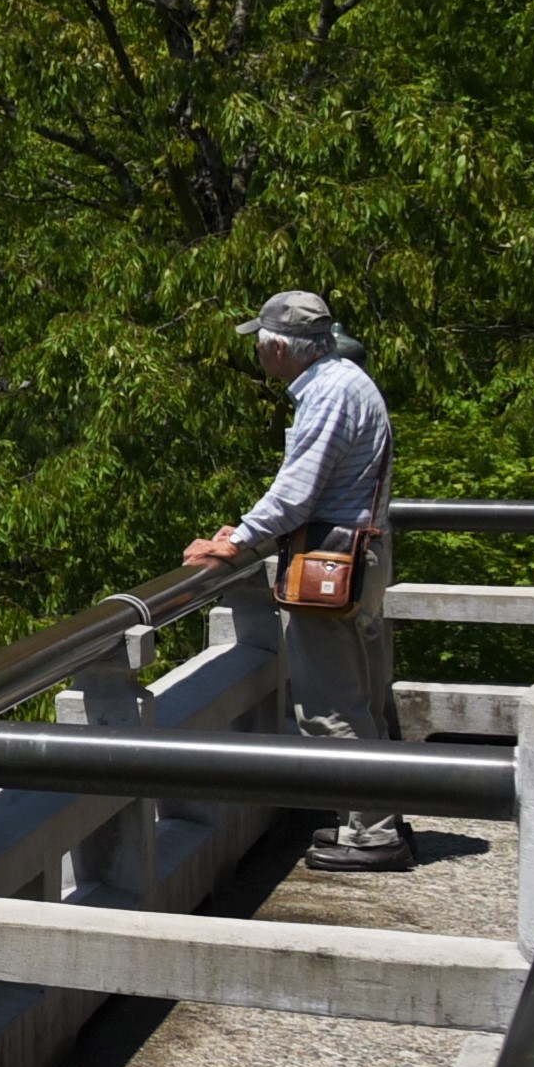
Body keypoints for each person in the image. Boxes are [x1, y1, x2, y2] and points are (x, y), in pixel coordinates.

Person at [181, 290, 408, 872]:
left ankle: (373, 833)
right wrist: (252, 530)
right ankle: (375, 817)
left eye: (259, 344)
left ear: (277, 346)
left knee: (331, 704)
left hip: (333, 560)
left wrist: (235, 542)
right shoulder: (345, 380)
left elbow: (298, 490)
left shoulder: (328, 394)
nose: (258, 355)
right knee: (363, 695)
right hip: (362, 553)